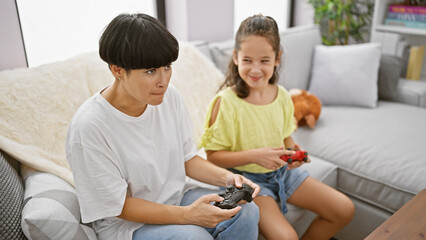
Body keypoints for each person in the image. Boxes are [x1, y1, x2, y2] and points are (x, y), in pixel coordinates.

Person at [65, 13, 260, 240]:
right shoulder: (89, 128)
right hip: (128, 225)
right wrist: (188, 215)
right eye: (150, 71)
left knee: (245, 212)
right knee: (194, 237)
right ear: (117, 70)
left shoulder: (168, 96)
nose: (163, 80)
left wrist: (228, 178)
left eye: (166, 67)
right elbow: (120, 207)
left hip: (176, 198)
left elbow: (188, 159)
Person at [200, 14, 355, 240]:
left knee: (344, 209)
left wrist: (293, 153)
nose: (255, 69)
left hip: (281, 175)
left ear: (277, 58)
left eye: (264, 60)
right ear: (235, 57)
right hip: (248, 182)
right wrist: (256, 156)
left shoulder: (282, 95)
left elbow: (285, 138)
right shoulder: (226, 103)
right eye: (247, 60)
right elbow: (213, 157)